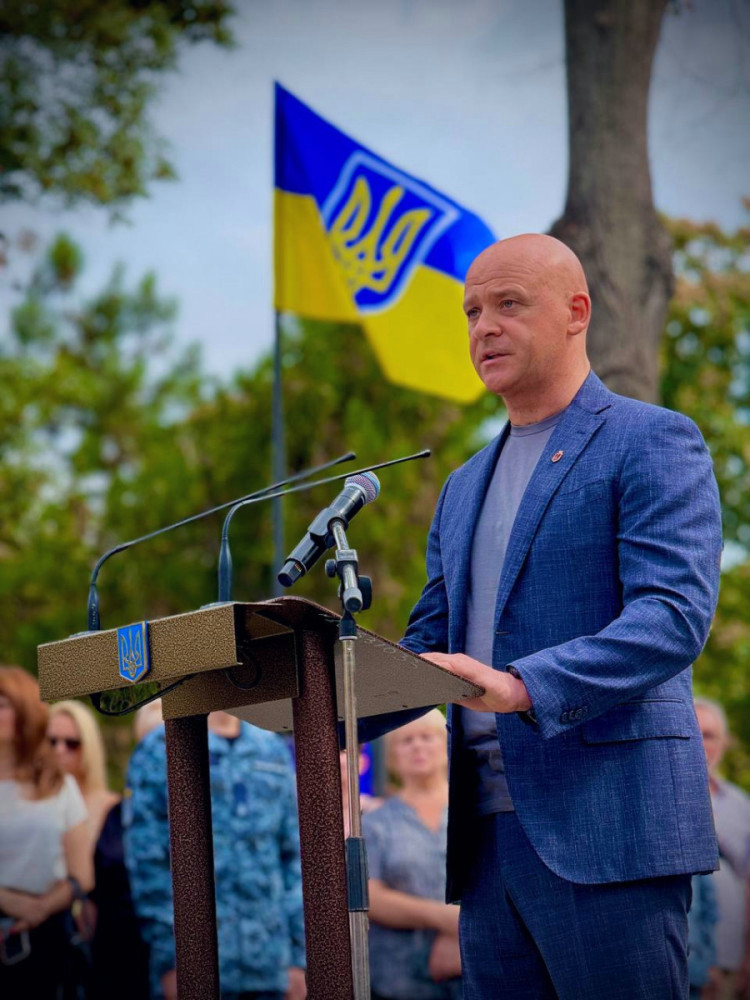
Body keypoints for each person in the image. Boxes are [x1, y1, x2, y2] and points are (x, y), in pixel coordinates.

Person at [396, 233, 723, 998]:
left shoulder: (651, 438)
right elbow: (426, 646)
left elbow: (672, 616)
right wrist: (304, 696)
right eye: (472, 311)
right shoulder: (462, 485)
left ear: (577, 312)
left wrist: (522, 686)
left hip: (609, 829)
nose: (484, 326)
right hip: (485, 846)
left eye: (508, 304)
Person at [124, 710, 306, 1000]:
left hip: (271, 966)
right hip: (196, 967)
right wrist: (170, 959)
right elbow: (148, 862)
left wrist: (299, 957)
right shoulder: (161, 748)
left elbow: (293, 860)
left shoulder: (272, 750)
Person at [0, 666, 94, 998]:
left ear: (25, 713)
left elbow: (82, 875)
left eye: (2, 704)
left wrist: (40, 908)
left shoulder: (58, 784)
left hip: (46, 938)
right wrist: (9, 901)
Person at [363, 711, 461, 1000]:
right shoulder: (375, 822)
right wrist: (443, 919)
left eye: (427, 737)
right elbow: (370, 896)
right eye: (406, 740)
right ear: (392, 757)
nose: (417, 746)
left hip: (475, 972)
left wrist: (461, 933)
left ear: (446, 745)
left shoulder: (473, 810)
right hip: (397, 981)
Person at [695, 697, 750, 999]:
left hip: (731, 958)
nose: (701, 744)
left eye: (709, 735)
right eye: (693, 731)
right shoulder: (662, 799)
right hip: (684, 959)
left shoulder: (740, 805)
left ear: (724, 743)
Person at [48, 700, 120, 848]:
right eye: (52, 741)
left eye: (71, 743)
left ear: (89, 746)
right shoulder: (27, 801)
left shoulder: (111, 808)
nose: (59, 750)